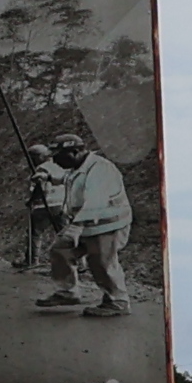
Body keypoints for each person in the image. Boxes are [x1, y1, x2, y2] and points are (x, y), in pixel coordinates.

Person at [39, 132, 138, 319]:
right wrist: (49, 178)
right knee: (60, 250)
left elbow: (95, 202)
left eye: (58, 157)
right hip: (87, 224)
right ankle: (67, 292)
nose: (55, 161)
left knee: (102, 262)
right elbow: (71, 180)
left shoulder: (100, 168)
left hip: (108, 224)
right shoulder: (79, 167)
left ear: (75, 152)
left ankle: (118, 301)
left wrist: (75, 228)